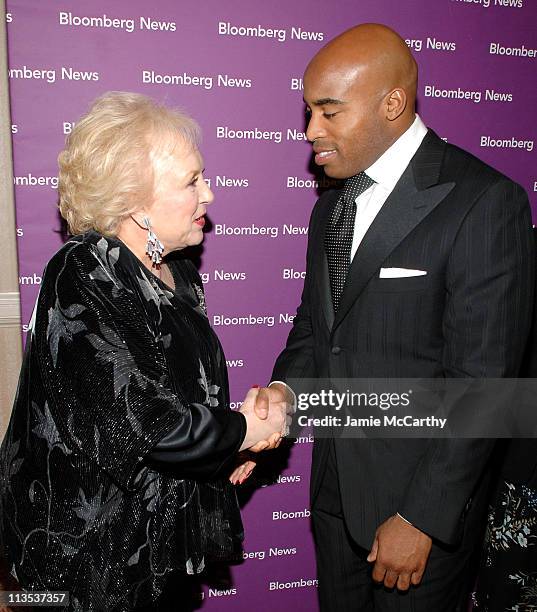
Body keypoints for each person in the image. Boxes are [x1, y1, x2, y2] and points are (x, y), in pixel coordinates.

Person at [261, 23, 535, 610]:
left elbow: (485, 389)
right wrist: (282, 396)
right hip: (335, 499)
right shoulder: (330, 209)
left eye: (329, 112)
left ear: (393, 103)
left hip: (418, 515)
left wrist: (421, 519)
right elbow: (317, 331)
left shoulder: (484, 204)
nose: (311, 130)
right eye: (309, 111)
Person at [0, 91, 290, 611]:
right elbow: (144, 424)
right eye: (191, 182)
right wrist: (247, 430)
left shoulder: (177, 274)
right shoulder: (83, 274)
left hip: (153, 553)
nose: (210, 194)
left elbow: (179, 401)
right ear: (135, 202)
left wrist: (226, 450)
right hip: (83, 567)